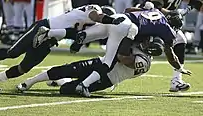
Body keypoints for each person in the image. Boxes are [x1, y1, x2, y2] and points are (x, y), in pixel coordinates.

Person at [0, 4, 122, 91]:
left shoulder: (96, 28)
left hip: (49, 40)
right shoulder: (95, 10)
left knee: (24, 68)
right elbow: (96, 16)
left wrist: (76, 45)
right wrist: (113, 20)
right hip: (43, 28)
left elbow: (77, 37)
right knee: (13, 52)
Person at [17, 36, 162, 97]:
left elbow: (122, 58)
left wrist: (123, 40)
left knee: (66, 90)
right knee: (67, 69)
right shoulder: (140, 45)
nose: (145, 42)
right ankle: (30, 81)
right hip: (101, 62)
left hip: (107, 78)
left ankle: (61, 82)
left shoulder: (144, 62)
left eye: (148, 44)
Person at [141, 0, 203, 92]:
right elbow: (155, 7)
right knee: (144, 56)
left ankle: (176, 81)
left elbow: (194, 2)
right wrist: (172, 14)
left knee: (181, 40)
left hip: (166, 22)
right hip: (150, 19)